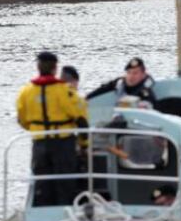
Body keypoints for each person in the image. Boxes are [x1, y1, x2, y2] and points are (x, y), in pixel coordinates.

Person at [16, 51, 88, 207]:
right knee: (65, 183)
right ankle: (65, 211)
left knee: (42, 183)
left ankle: (42, 214)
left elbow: (22, 120)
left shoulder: (25, 92)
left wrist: (36, 128)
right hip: (64, 143)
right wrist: (84, 145)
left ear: (38, 67)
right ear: (55, 68)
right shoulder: (65, 92)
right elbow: (81, 120)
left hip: (40, 143)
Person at [86, 57, 157, 107]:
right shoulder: (119, 82)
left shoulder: (146, 91)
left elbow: (150, 106)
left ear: (143, 75)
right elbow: (103, 89)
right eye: (129, 72)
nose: (131, 76)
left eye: (135, 73)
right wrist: (86, 98)